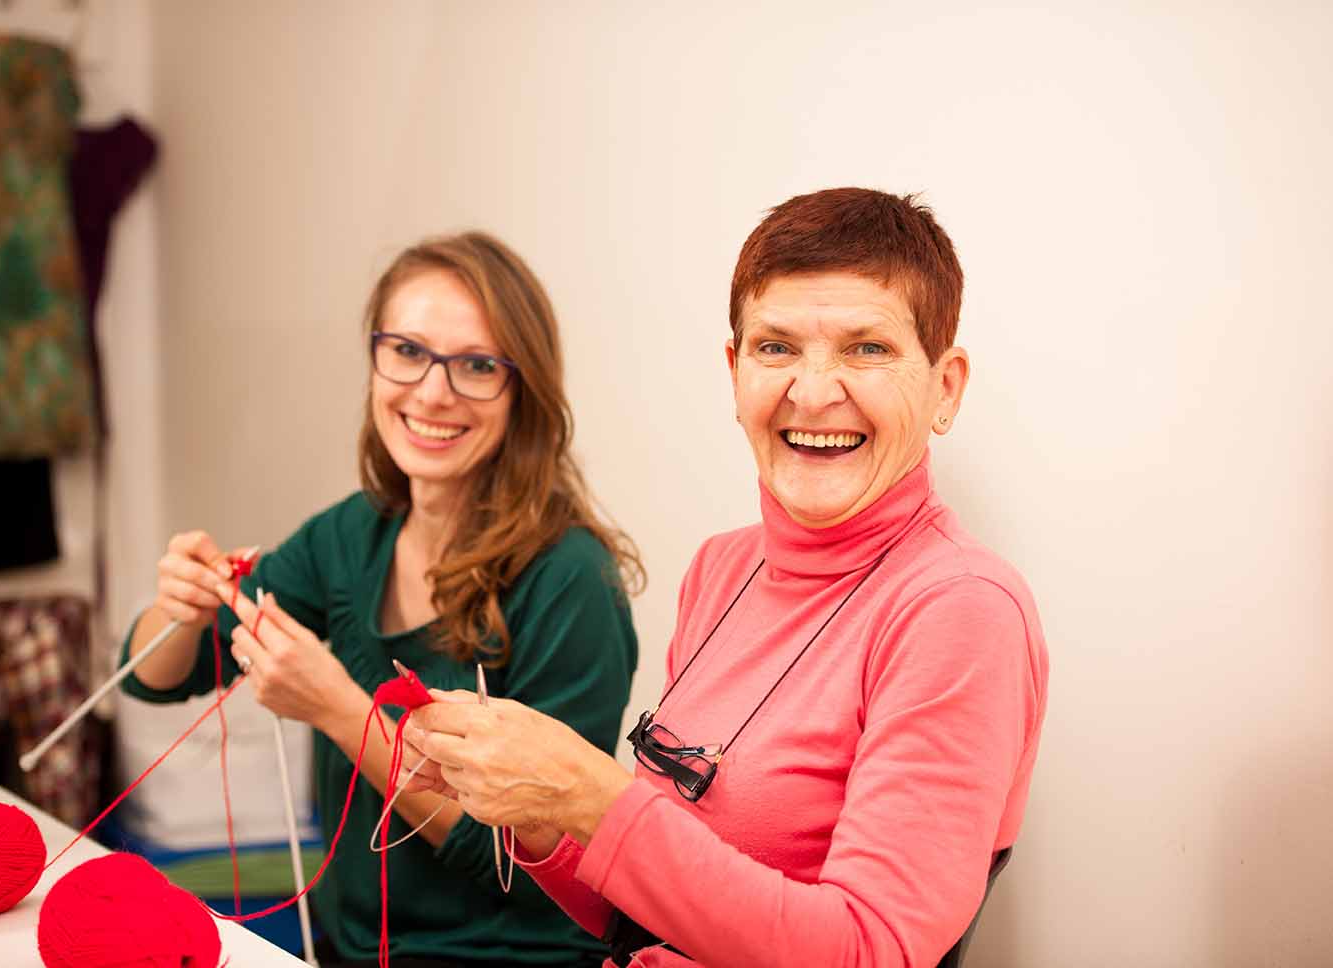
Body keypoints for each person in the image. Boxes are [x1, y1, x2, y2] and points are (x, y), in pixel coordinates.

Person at [404, 189, 1051, 968]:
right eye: (776, 348)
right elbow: (642, 907)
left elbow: (869, 950)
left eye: (866, 349)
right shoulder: (721, 568)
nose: (812, 392)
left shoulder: (961, 610)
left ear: (945, 387)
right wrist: (534, 807)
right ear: (734, 369)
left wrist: (590, 793)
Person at [120, 231, 643, 968]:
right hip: (349, 948)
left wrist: (337, 708)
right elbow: (155, 674)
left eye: (476, 366)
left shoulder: (570, 582)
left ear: (522, 390)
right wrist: (183, 607)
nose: (433, 391)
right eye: (407, 351)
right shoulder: (352, 536)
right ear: (375, 360)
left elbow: (511, 857)